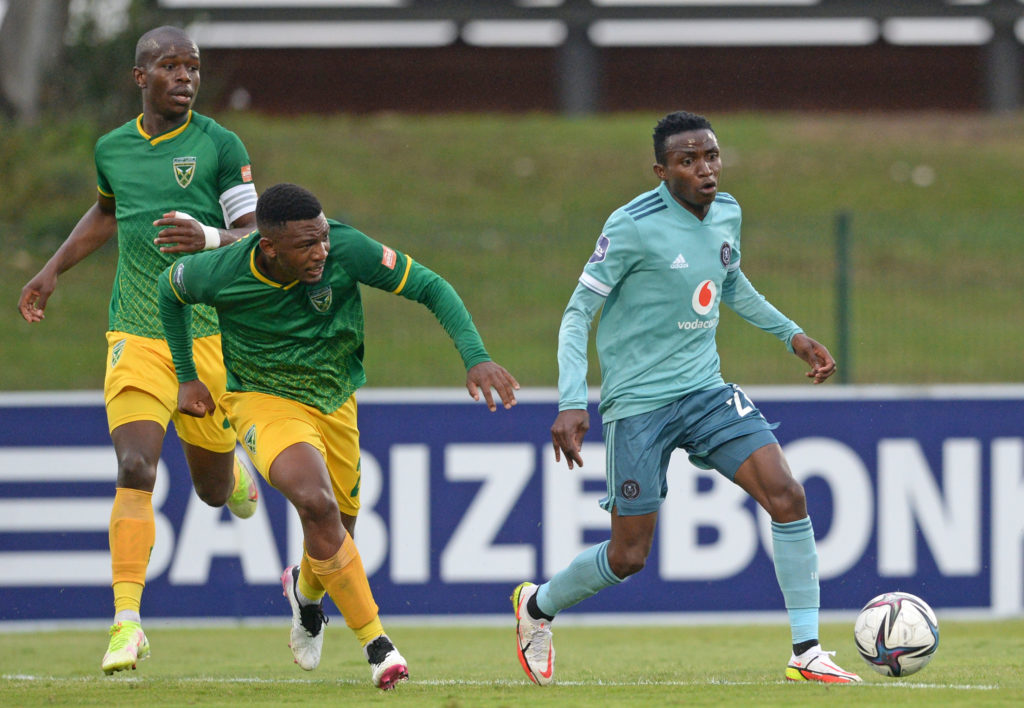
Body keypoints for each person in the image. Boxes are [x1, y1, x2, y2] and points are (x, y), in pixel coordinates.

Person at [512, 111, 861, 686]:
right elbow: (577, 314)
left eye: (712, 157)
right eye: (689, 160)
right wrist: (572, 400)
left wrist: (792, 335)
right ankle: (536, 608)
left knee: (787, 494)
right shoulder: (631, 225)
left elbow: (730, 281)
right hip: (639, 404)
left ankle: (807, 650)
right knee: (628, 556)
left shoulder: (728, 213)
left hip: (706, 391)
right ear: (662, 170)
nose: (706, 170)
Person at [157, 182, 519, 690]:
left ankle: (305, 596)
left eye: (323, 237)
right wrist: (186, 373)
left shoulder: (347, 250)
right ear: (269, 248)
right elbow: (168, 290)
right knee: (315, 502)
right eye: (306, 245)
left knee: (337, 529)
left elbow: (431, 287)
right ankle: (378, 645)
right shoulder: (220, 270)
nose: (321, 252)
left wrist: (475, 356)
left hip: (335, 399)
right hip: (264, 400)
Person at [16, 26, 261, 675]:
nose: (184, 77)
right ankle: (128, 623)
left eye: (193, 67)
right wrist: (51, 271)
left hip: (206, 335)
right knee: (135, 466)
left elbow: (253, 231)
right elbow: (105, 212)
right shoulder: (114, 148)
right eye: (170, 66)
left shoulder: (218, 145)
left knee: (212, 491)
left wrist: (206, 236)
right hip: (136, 335)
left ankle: (231, 471)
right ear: (140, 77)